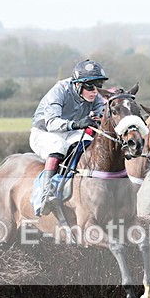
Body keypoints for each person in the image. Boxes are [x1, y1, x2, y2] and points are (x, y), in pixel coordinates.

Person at [30, 59, 108, 216]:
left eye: (98, 86)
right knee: (59, 146)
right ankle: (47, 192)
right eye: (90, 86)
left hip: (70, 132)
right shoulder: (59, 90)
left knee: (88, 143)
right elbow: (51, 123)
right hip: (44, 132)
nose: (95, 91)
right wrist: (78, 124)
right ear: (78, 85)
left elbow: (102, 114)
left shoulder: (95, 97)